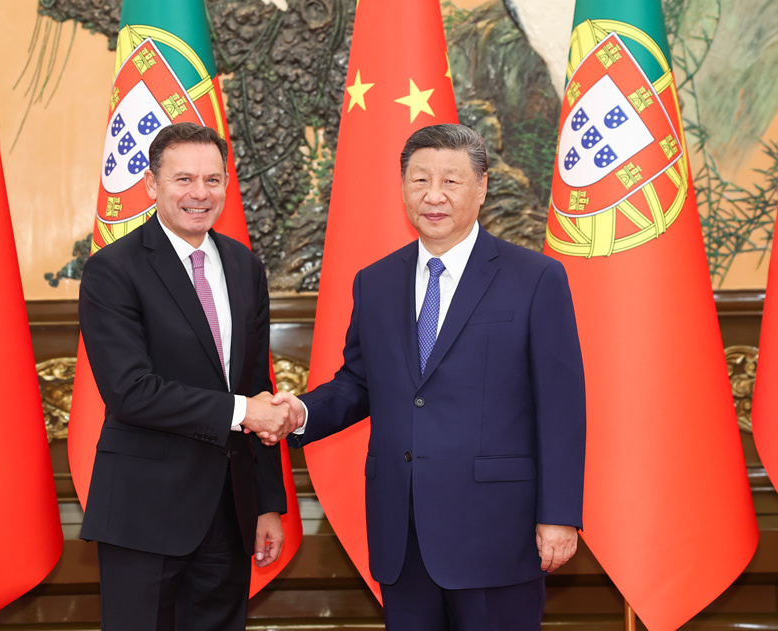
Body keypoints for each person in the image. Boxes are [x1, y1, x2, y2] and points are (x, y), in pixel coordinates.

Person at [274, 124, 586, 630]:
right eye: (420, 180)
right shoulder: (375, 282)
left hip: (497, 532)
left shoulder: (534, 278)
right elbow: (360, 383)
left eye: (451, 181)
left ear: (481, 188)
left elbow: (561, 407)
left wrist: (559, 515)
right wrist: (301, 411)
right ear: (403, 187)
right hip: (403, 533)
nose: (433, 195)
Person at [78, 122, 300, 631]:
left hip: (230, 511)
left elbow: (257, 386)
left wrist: (267, 505)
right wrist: (244, 412)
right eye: (183, 179)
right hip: (144, 513)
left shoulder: (245, 266)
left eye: (212, 180)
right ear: (151, 185)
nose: (200, 193)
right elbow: (131, 392)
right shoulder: (114, 269)